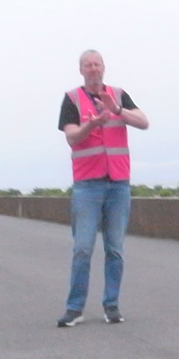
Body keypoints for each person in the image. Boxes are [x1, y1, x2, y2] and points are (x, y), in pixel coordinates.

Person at [56, 49, 149, 327]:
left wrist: (116, 109)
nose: (93, 69)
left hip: (118, 184)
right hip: (88, 185)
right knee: (83, 248)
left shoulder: (119, 95)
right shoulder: (72, 99)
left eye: (97, 64)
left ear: (104, 68)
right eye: (88, 65)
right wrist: (92, 124)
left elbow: (143, 122)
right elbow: (72, 137)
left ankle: (112, 306)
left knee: (115, 249)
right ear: (81, 70)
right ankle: (75, 308)